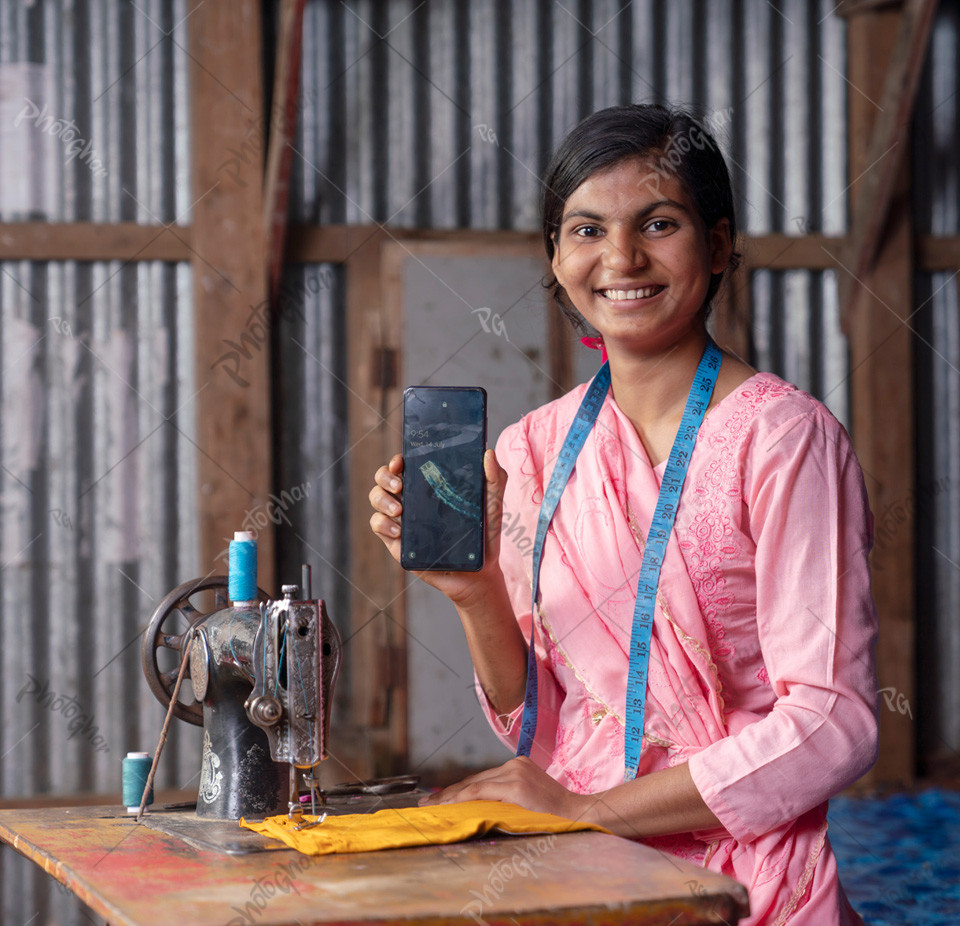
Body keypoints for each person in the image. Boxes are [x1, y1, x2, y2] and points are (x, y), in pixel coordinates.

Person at [369, 103, 878, 926]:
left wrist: (586, 812)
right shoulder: (534, 449)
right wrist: (474, 590)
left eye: (658, 222)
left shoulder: (783, 440)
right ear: (556, 256)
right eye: (586, 230)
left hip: (751, 883)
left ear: (716, 245)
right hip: (583, 878)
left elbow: (833, 723)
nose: (621, 258)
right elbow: (542, 729)